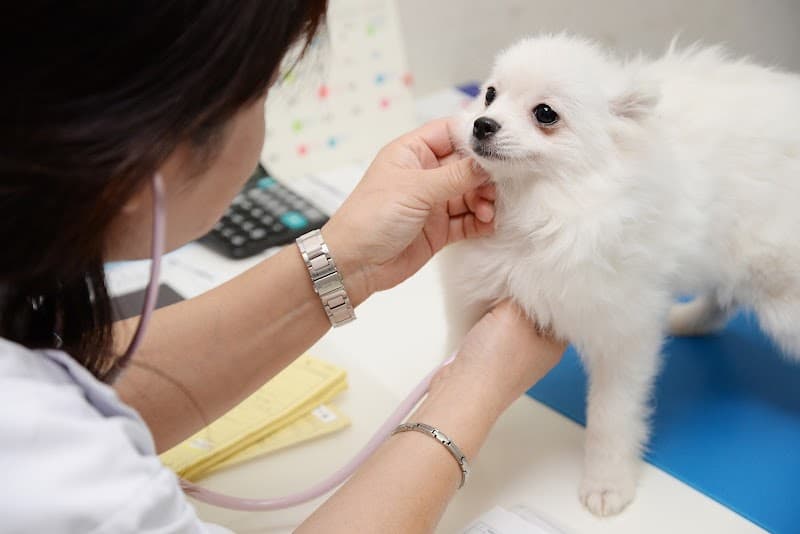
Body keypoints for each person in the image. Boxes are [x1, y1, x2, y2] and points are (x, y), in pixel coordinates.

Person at [0, 2, 565, 533]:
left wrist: (346, 261)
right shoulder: (51, 476)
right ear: (145, 151)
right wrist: (473, 390)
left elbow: (75, 395)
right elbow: (56, 435)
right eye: (263, 92)